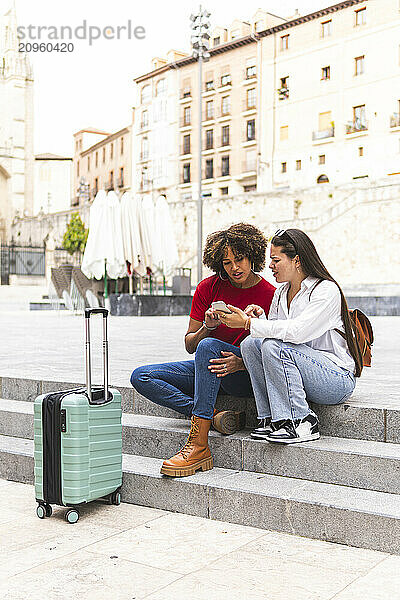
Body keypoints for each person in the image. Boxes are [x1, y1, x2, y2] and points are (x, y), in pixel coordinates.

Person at [130, 223, 275, 476]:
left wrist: (241, 362)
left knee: (208, 347)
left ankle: (198, 445)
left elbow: (276, 351)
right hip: (209, 368)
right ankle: (216, 416)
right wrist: (208, 327)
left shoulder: (271, 294)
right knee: (141, 376)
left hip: (243, 376)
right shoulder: (208, 287)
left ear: (253, 254)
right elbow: (190, 345)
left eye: (239, 259)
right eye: (227, 262)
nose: (234, 268)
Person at [217, 228, 361, 444]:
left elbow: (298, 332)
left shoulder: (325, 290)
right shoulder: (281, 293)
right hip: (301, 371)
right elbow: (273, 335)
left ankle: (301, 420)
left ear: (297, 260)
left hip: (336, 379)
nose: (270, 266)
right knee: (250, 344)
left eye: (275, 260)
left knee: (274, 346)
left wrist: (249, 323)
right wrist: (261, 319)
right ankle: (270, 418)